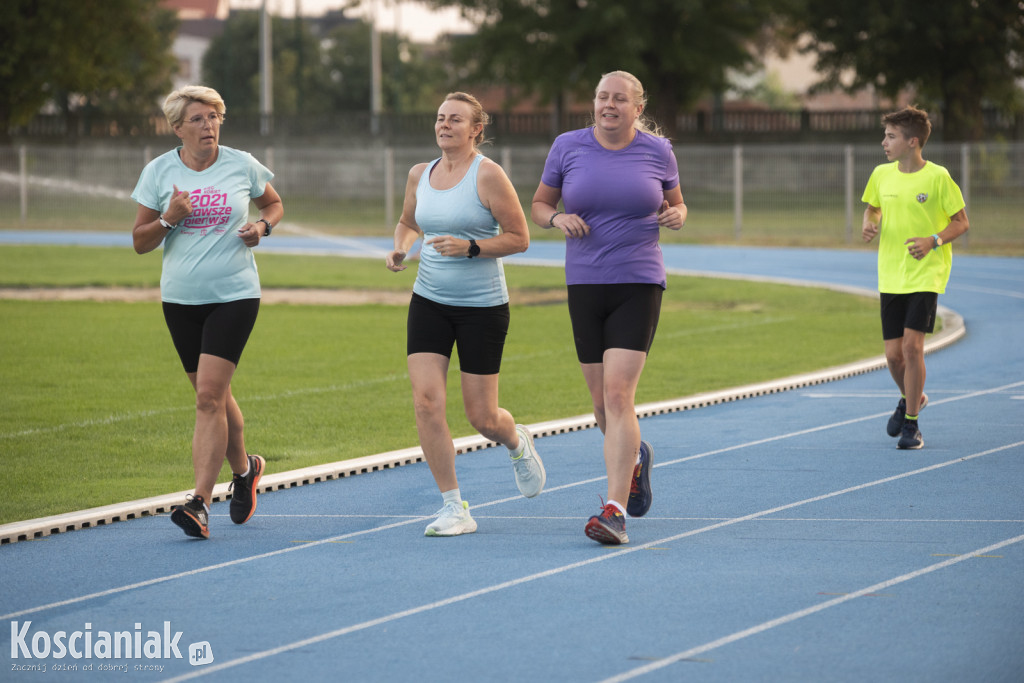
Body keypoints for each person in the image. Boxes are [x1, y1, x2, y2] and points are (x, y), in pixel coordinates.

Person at [531, 70, 687, 545]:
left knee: (620, 396)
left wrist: (675, 215)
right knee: (601, 407)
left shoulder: (658, 151)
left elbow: (678, 206)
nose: (609, 105)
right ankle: (635, 458)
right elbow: (538, 204)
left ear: (638, 107)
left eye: (620, 99)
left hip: (638, 281)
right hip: (584, 283)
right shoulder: (567, 146)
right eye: (602, 97)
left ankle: (614, 510)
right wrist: (557, 217)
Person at [385, 92, 546, 537]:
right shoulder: (420, 173)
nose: (444, 125)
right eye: (440, 118)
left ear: (476, 129)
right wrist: (401, 247)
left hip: (482, 308)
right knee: (426, 402)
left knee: (482, 417)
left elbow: (519, 238)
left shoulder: (488, 175)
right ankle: (454, 506)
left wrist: (470, 247)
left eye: (455, 119)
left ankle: (516, 441)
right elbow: (409, 221)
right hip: (429, 301)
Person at [130, 85, 284, 539]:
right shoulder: (158, 172)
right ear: (177, 127)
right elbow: (140, 241)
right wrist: (169, 218)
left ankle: (198, 502)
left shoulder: (242, 164)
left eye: (214, 116)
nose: (209, 125)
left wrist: (262, 226)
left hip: (234, 294)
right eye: (198, 119)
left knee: (208, 398)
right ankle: (245, 469)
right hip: (180, 300)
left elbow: (273, 203)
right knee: (214, 397)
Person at [861, 105, 968, 450]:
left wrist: (933, 240)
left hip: (926, 274)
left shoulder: (938, 177)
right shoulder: (881, 174)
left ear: (913, 141)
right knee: (893, 356)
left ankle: (911, 425)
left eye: (891, 136)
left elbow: (961, 222)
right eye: (885, 135)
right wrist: (869, 220)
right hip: (891, 274)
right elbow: (873, 206)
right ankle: (913, 397)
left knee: (912, 347)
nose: (884, 142)